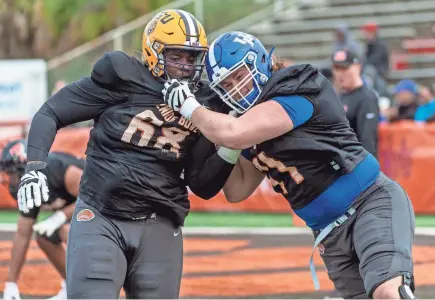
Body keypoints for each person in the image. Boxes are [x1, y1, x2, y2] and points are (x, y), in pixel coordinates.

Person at [162, 31, 416, 299]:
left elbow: (235, 131)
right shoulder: (246, 122)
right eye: (226, 85)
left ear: (260, 62)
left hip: (368, 204)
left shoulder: (296, 86)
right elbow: (237, 190)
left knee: (389, 292)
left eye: (240, 75)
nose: (236, 87)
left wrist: (189, 107)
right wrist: (224, 142)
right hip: (328, 233)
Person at [16, 10, 238, 299]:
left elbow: (202, 185)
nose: (185, 66)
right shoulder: (123, 77)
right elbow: (51, 111)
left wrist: (232, 144)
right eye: (176, 55)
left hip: (160, 222)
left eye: (191, 57)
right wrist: (34, 166)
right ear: (153, 50)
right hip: (101, 215)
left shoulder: (204, 103)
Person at [1, 139, 84, 300]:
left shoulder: (56, 169)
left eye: (11, 173)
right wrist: (11, 284)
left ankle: (95, 284)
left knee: (64, 229)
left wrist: (61, 216)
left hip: (109, 208)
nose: (10, 180)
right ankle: (72, 287)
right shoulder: (30, 186)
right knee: (44, 236)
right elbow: (22, 234)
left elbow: (94, 197)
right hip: (81, 211)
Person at [331, 49, 379, 158]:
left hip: (356, 166)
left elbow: (368, 141)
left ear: (357, 67)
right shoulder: (340, 96)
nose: (340, 73)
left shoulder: (366, 98)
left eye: (344, 68)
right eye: (336, 68)